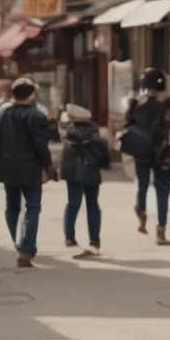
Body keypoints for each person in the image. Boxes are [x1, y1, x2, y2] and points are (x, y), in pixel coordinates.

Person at [0, 77, 53, 268]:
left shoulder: (1, 113)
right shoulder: (36, 116)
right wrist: (48, 166)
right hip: (30, 167)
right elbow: (40, 145)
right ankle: (26, 249)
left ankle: (19, 244)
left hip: (7, 166)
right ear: (32, 94)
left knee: (12, 207)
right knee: (33, 207)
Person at [124, 68, 170, 245]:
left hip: (141, 149)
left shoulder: (136, 103)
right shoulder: (168, 104)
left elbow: (127, 123)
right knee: (162, 190)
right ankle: (161, 230)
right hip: (162, 151)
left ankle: (141, 210)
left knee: (143, 184)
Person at [59, 103, 111, 256]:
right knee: (93, 204)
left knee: (72, 204)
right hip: (91, 170)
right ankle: (94, 240)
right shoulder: (94, 131)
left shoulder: (68, 131)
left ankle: (69, 237)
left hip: (74, 172)